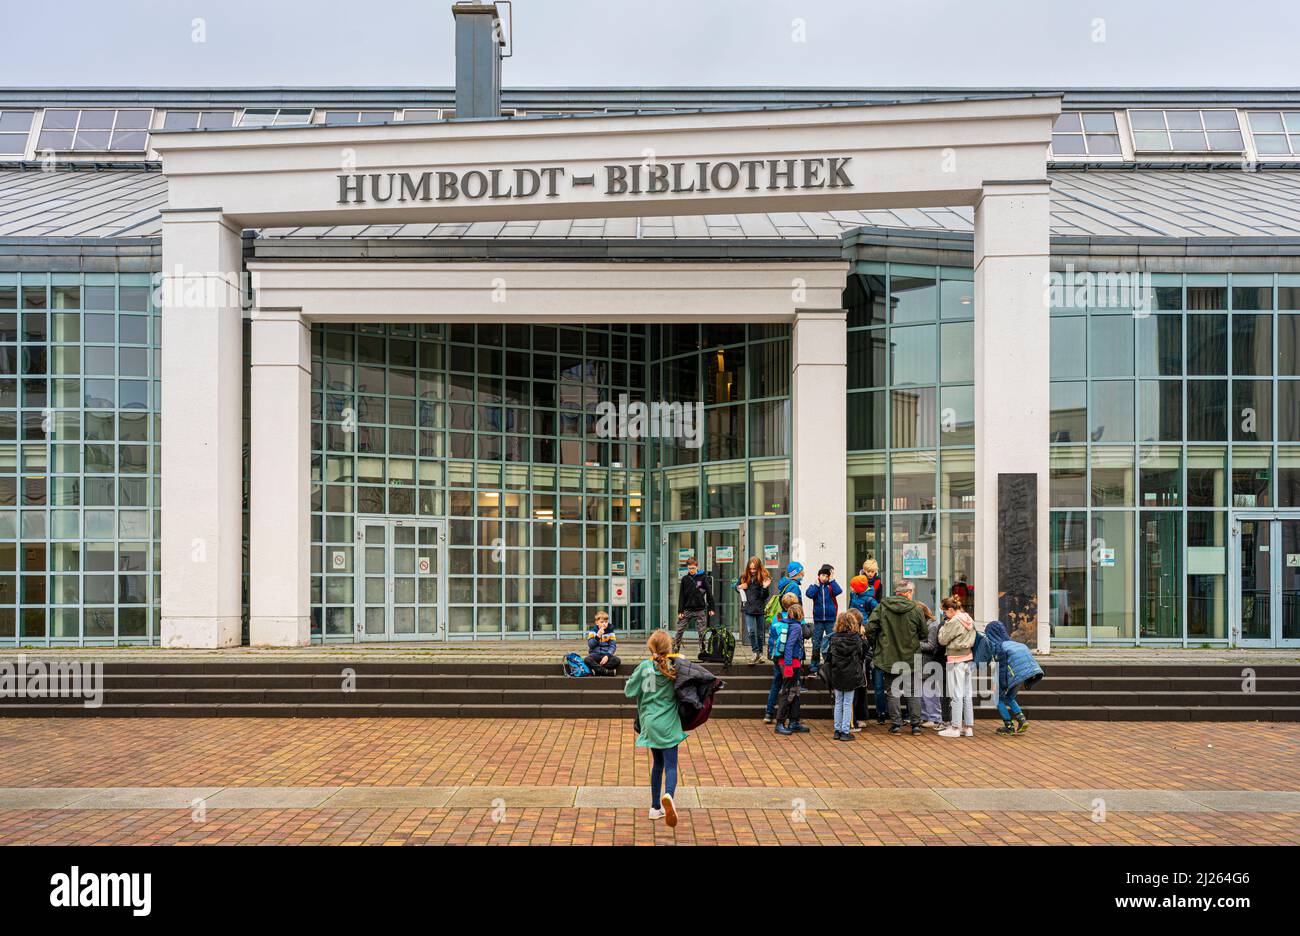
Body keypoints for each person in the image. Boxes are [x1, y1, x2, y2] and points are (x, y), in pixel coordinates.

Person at [624, 630, 688, 825]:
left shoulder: (645, 667)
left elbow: (629, 691)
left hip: (650, 722)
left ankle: (654, 807)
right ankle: (668, 795)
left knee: (657, 764)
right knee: (670, 766)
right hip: (668, 722)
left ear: (651, 647)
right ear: (669, 648)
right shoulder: (676, 666)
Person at [865, 579, 928, 735]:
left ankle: (896, 724)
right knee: (912, 691)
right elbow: (924, 633)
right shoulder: (916, 610)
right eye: (912, 592)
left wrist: (877, 645)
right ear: (907, 593)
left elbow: (870, 629)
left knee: (892, 692)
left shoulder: (882, 607)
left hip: (888, 656)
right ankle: (915, 725)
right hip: (911, 656)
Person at [981, 619, 1044, 736]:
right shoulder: (1016, 644)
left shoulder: (999, 647)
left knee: (998, 699)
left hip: (1010, 675)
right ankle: (1021, 719)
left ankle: (1008, 726)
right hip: (1022, 675)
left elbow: (1002, 667)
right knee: (1010, 697)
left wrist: (1002, 684)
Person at [937, 596, 977, 738]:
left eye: (944, 612)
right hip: (968, 658)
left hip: (955, 659)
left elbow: (942, 640)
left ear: (950, 610)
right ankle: (968, 727)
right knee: (967, 694)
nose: (944, 615)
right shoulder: (969, 618)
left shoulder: (954, 621)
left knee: (956, 694)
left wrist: (944, 626)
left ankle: (955, 727)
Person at [824, 611, 866, 741]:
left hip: (837, 673)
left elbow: (828, 657)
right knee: (848, 703)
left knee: (838, 702)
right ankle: (845, 731)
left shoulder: (834, 638)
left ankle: (837, 730)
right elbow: (861, 654)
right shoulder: (856, 638)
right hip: (851, 673)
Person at [763, 591, 802, 723]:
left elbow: (773, 635)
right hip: (790, 659)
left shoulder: (777, 617)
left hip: (777, 655)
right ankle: (790, 717)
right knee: (790, 688)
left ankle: (769, 713)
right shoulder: (796, 618)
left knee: (776, 683)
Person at [773, 601, 808, 736]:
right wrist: (788, 665)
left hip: (786, 661)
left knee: (795, 691)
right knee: (788, 692)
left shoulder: (785, 624)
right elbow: (789, 646)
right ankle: (780, 723)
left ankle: (794, 721)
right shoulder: (796, 627)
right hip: (791, 663)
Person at [804, 563, 842, 677]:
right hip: (819, 620)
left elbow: (838, 591)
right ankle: (814, 667)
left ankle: (830, 666)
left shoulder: (831, 586)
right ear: (819, 576)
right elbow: (809, 594)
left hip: (831, 619)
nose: (824, 577)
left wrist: (832, 580)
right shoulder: (816, 586)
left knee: (832, 643)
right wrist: (816, 584)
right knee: (816, 643)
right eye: (822, 575)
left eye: (827, 575)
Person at [673, 555, 715, 654]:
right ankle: (675, 648)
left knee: (702, 632)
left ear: (697, 567)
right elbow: (681, 596)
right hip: (687, 609)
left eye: (693, 568)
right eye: (689, 568)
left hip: (700, 609)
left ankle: (703, 649)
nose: (691, 570)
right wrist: (680, 611)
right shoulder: (685, 579)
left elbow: (709, 593)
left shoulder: (703, 578)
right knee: (680, 629)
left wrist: (711, 608)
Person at [736, 556, 772, 665]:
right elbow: (737, 587)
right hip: (748, 608)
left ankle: (760, 653)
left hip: (759, 608)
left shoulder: (763, 578)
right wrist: (739, 587)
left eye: (754, 569)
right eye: (751, 568)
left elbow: (764, 596)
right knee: (751, 631)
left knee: (760, 633)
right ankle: (755, 652)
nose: (752, 571)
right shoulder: (744, 576)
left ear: (758, 568)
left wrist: (765, 587)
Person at [916, 601, 946, 729]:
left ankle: (935, 718)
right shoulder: (920, 625)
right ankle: (925, 716)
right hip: (919, 662)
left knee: (930, 692)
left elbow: (931, 646)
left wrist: (914, 644)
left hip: (928, 662)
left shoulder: (932, 626)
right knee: (921, 692)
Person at [584, 611, 621, 676]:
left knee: (617, 660)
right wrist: (597, 636)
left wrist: (607, 656)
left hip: (605, 656)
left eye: (606, 622)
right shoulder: (592, 632)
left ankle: (597, 671)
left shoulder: (610, 632)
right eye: (602, 622)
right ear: (597, 623)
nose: (604, 624)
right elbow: (590, 645)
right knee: (587, 660)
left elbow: (613, 646)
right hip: (595, 655)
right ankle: (606, 672)